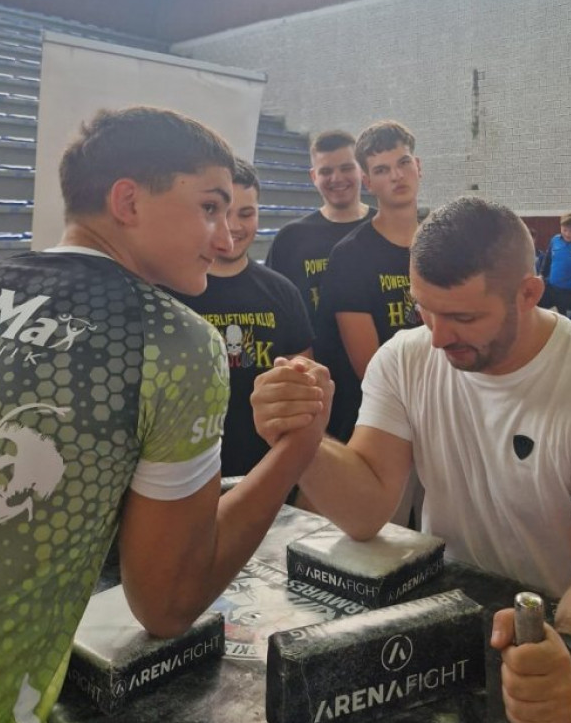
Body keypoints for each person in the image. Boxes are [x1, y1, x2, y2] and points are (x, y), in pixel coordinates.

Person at [0, 107, 324, 723]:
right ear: (128, 201)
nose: (226, 235)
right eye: (208, 207)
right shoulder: (170, 338)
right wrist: (297, 449)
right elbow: (167, 602)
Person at [253, 197, 571, 723]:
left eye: (464, 317)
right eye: (424, 310)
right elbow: (367, 507)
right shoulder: (406, 357)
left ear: (529, 293)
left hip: (564, 630)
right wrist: (302, 436)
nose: (438, 336)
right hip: (447, 631)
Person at [170, 159, 313, 477]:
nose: (233, 226)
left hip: (265, 472)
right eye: (220, 213)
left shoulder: (283, 292)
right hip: (182, 474)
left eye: (246, 214)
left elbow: (302, 394)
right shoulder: (171, 290)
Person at [315, 120, 423, 442]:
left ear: (418, 166)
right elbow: (371, 369)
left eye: (403, 163)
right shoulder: (350, 256)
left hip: (449, 398)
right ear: (368, 182)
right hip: (388, 417)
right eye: (381, 170)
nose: (397, 175)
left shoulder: (443, 243)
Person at [266, 129, 373, 323]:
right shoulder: (290, 238)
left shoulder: (383, 227)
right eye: (326, 171)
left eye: (346, 168)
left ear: (362, 170)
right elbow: (274, 306)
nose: (337, 178)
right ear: (314, 176)